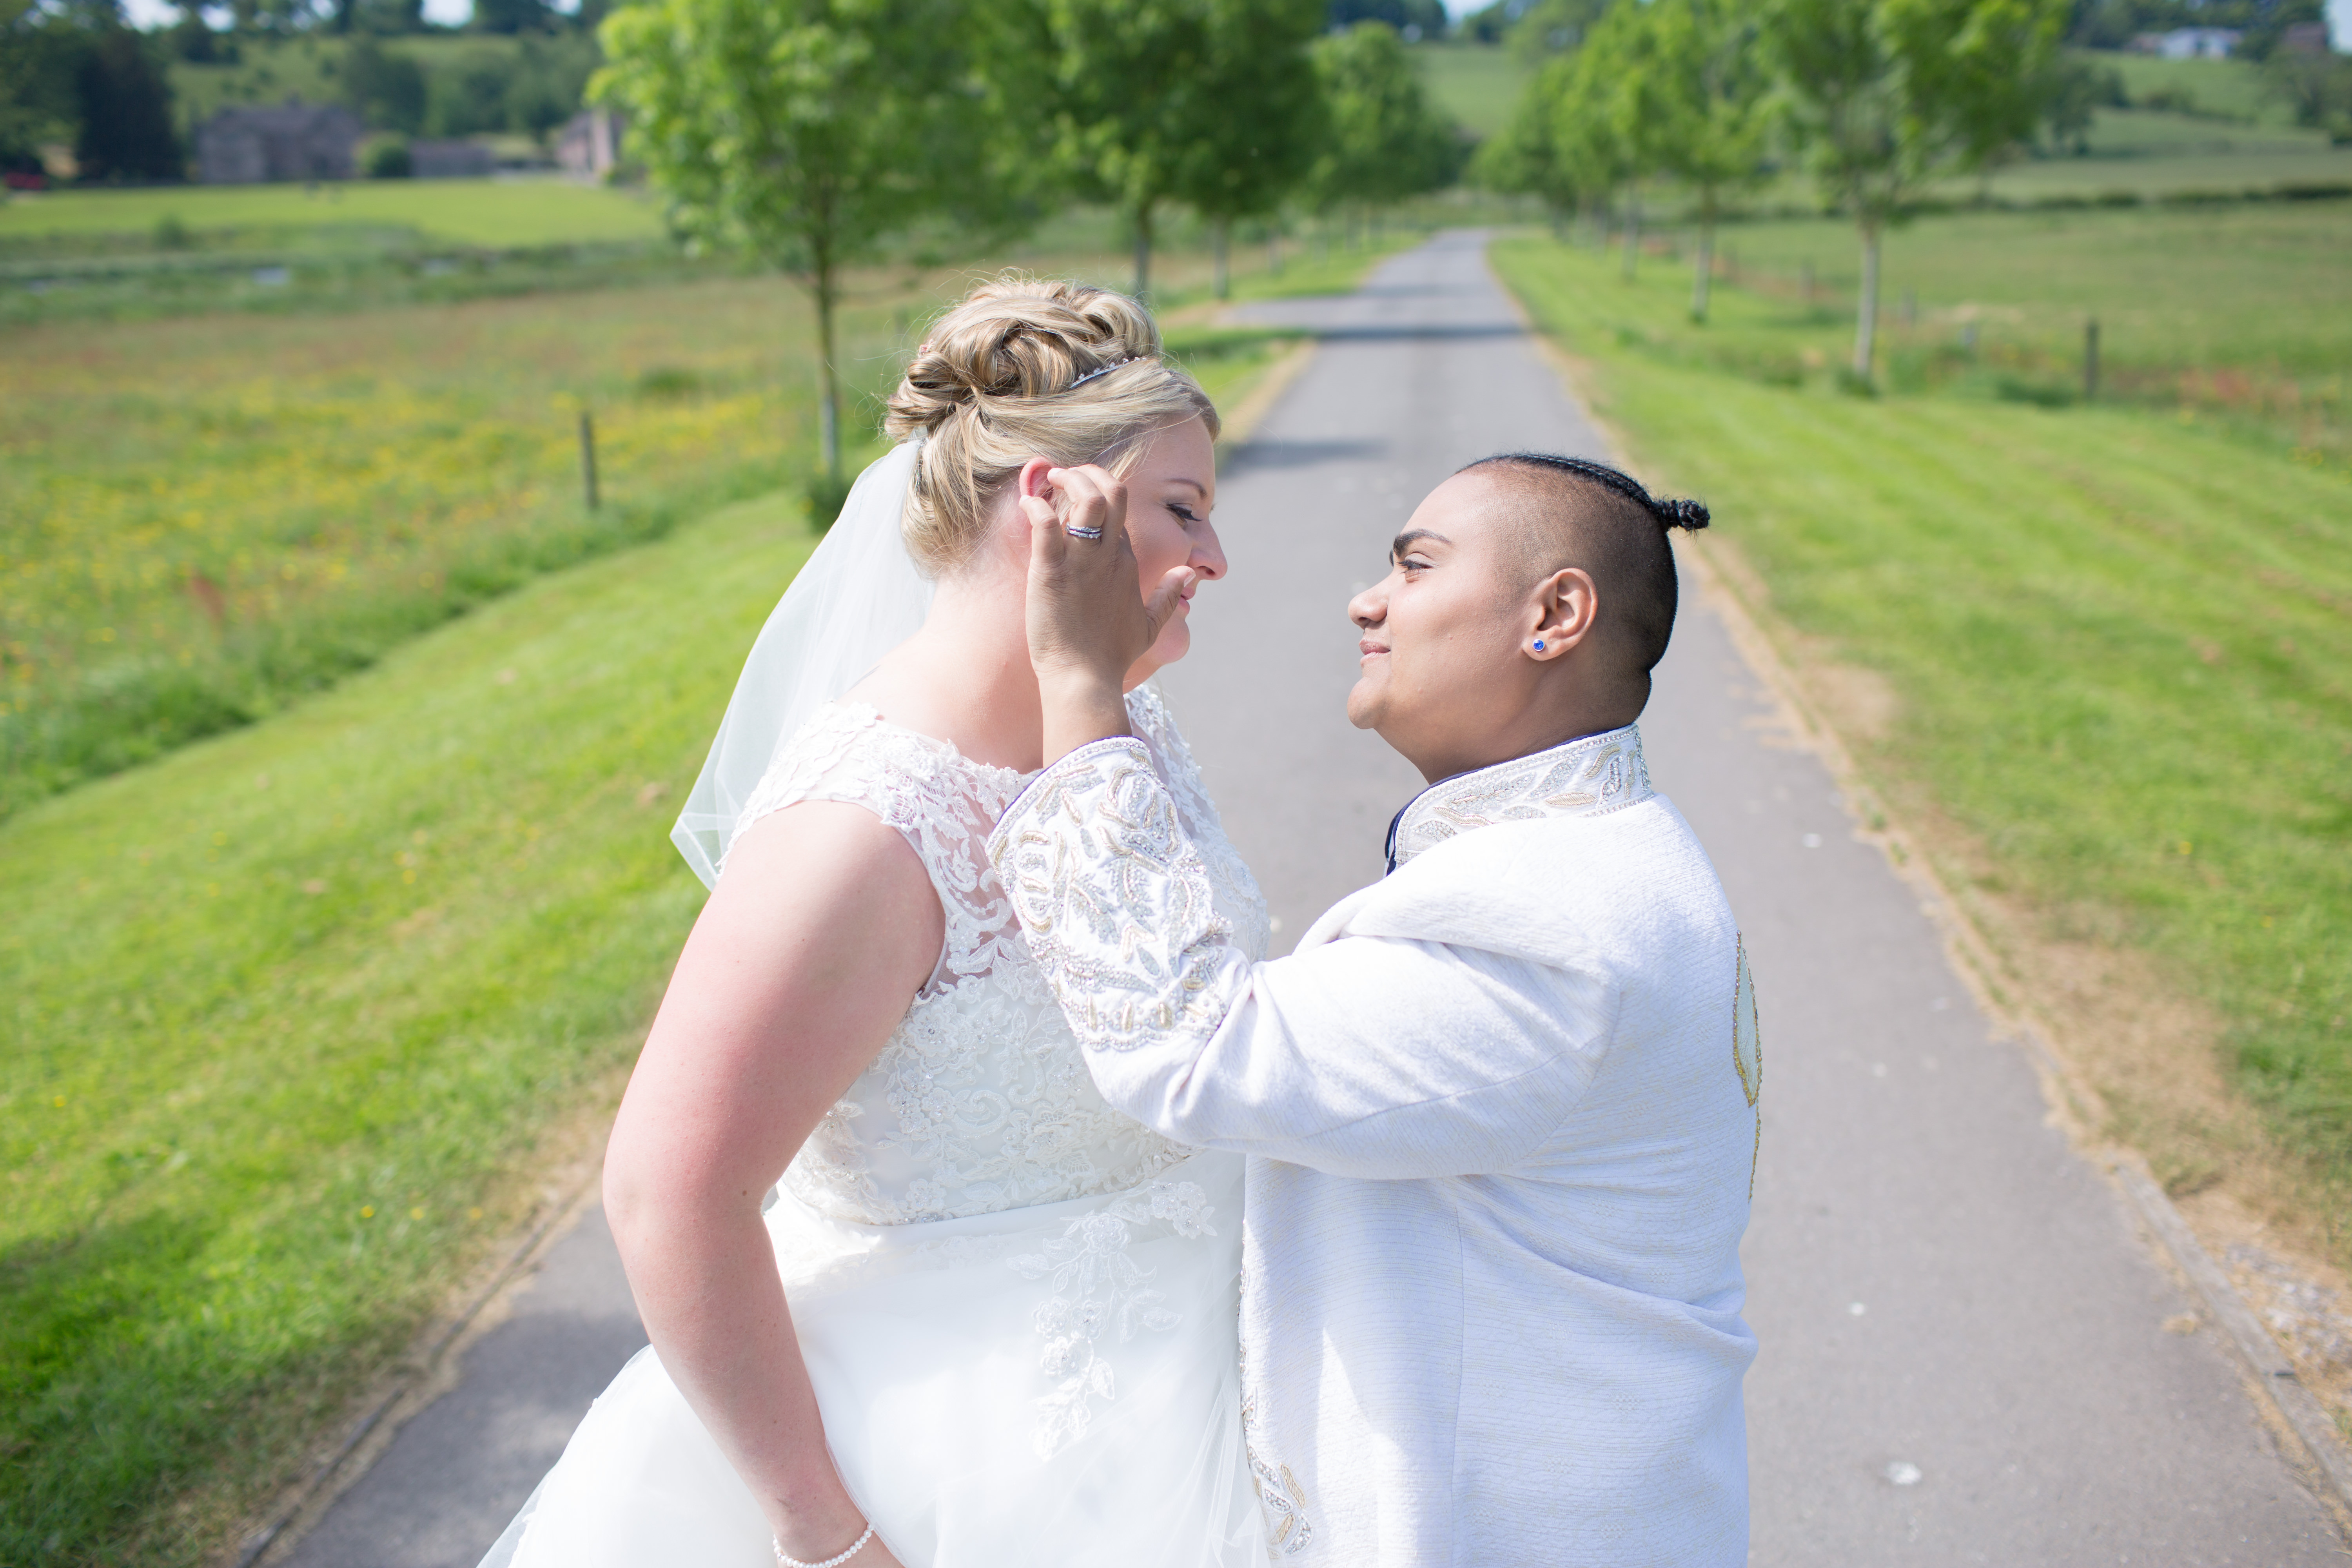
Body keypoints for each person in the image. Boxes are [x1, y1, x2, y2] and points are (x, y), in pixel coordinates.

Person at [479, 278, 1273, 1568]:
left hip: (1206, 1375)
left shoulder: (1122, 728)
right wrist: (827, 1536)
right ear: (1056, 508)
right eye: (1183, 512)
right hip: (970, 1460)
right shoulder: (866, 826)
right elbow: (667, 1191)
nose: (1215, 561)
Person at [989, 452, 1760, 1566]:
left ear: (1556, 613)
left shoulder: (1561, 928)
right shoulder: (1615, 857)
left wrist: (1076, 678)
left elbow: (1191, 1046)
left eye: (1415, 565)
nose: (1367, 599)